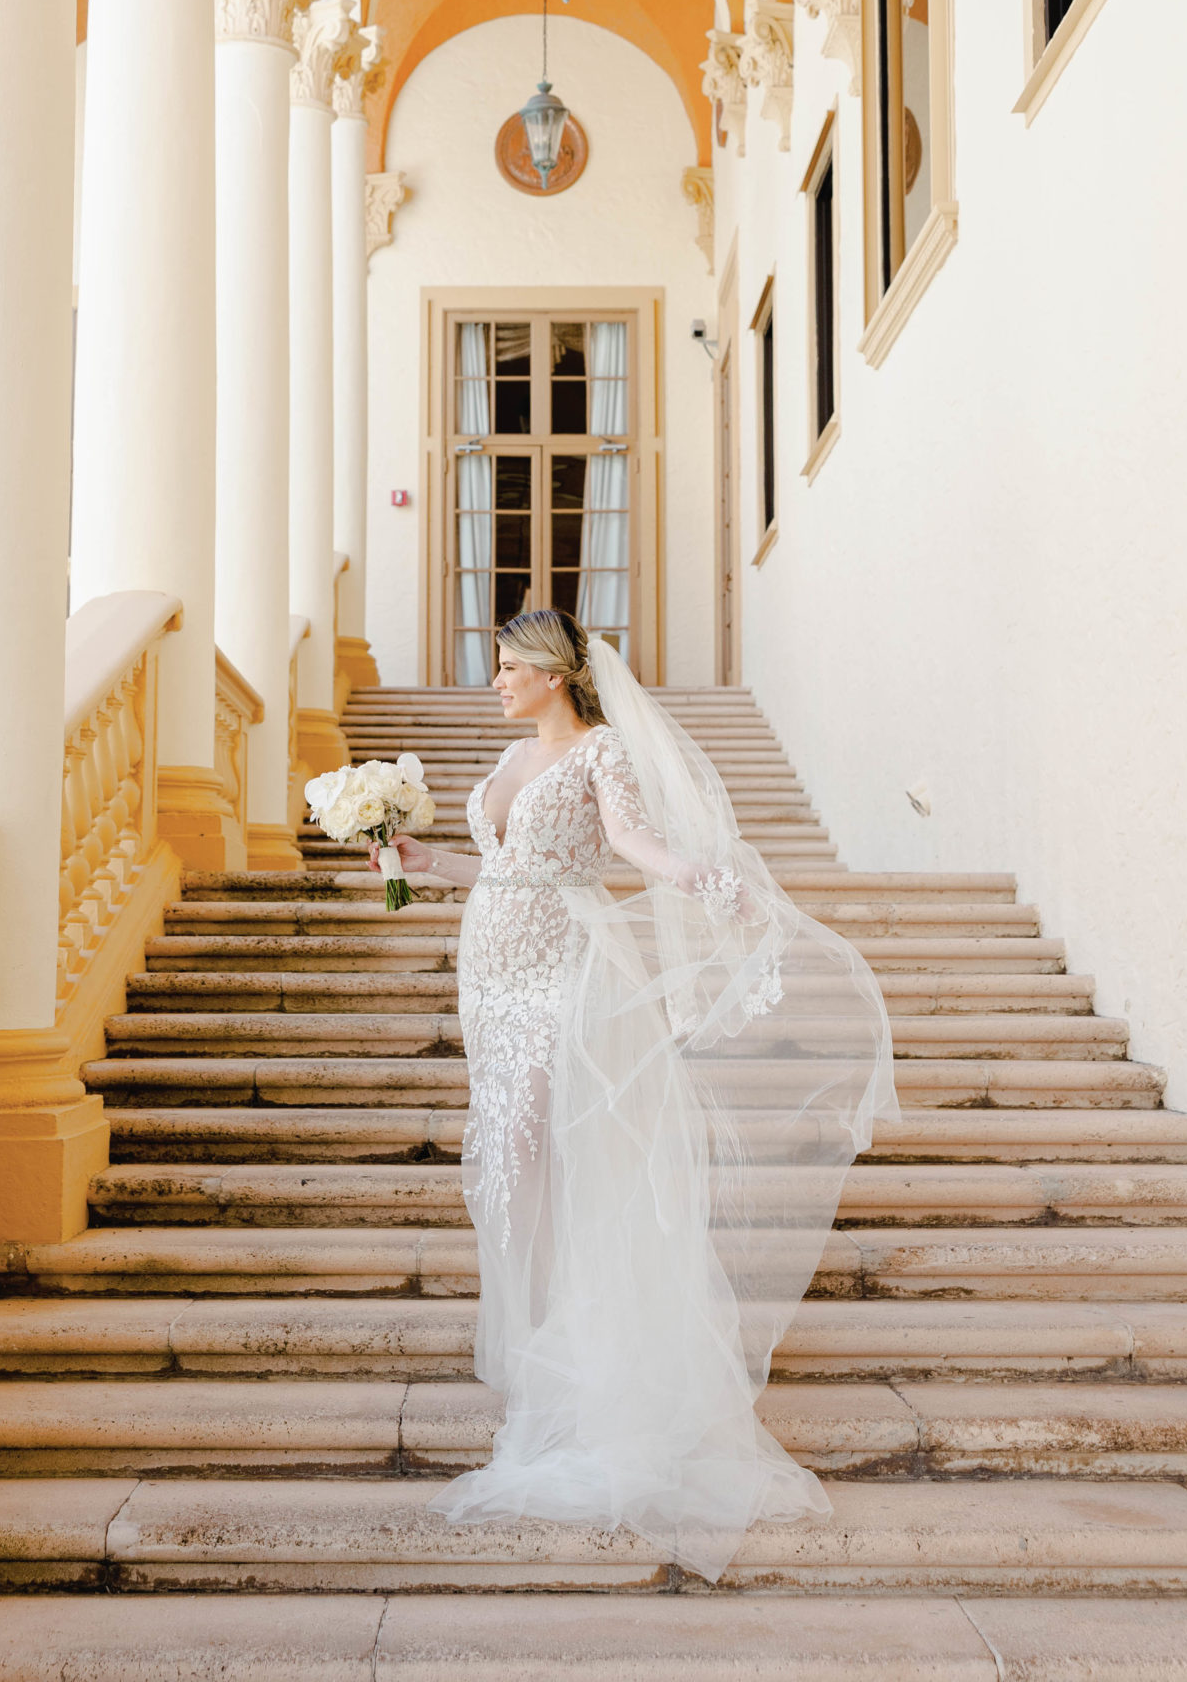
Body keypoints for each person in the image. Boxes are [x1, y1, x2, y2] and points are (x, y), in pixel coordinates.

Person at [372, 606, 895, 1581]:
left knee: (536, 1154)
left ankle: (580, 1375)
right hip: (489, 970)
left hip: (563, 968)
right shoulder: (504, 766)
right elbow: (493, 866)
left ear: (552, 671)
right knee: (504, 1165)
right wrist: (418, 862)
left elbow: (630, 841)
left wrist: (696, 873)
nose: (494, 679)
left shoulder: (597, 751)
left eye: (507, 665)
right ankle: (543, 1360)